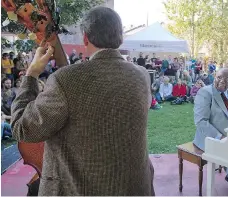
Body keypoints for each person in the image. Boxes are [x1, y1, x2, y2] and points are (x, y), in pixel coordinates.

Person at [10, 6, 154, 196]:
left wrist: (31, 75)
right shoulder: (142, 76)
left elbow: (22, 128)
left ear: (85, 37)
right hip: (134, 188)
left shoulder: (65, 79)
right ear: (121, 38)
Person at [193, 68, 228, 193]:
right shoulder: (205, 93)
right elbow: (201, 122)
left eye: (226, 81)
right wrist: (221, 138)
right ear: (214, 77)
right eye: (219, 78)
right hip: (214, 137)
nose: (221, 82)